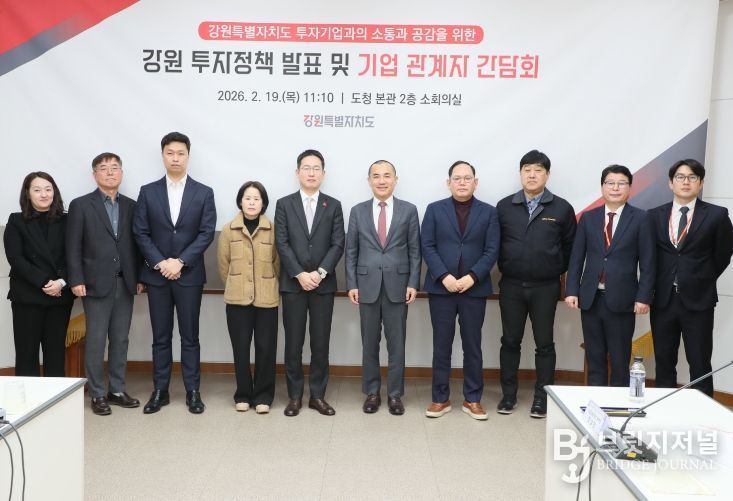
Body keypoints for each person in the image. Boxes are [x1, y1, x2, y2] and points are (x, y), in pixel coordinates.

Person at [132, 132, 216, 414]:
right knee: (161, 337)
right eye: (170, 153)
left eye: (180, 153)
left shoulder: (203, 192)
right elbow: (141, 232)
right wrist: (161, 263)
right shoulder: (148, 191)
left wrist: (180, 262)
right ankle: (160, 391)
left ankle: (193, 391)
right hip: (157, 277)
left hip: (189, 275)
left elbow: (206, 233)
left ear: (188, 156)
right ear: (163, 156)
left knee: (190, 337)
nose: (175, 158)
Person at [496, 150, 576, 418]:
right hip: (511, 285)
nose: (532, 175)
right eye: (527, 170)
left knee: (545, 343)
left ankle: (542, 398)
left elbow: (570, 248)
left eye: (538, 170)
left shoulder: (562, 208)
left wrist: (552, 267)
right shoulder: (504, 206)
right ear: (520, 174)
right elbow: (495, 244)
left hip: (545, 287)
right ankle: (508, 395)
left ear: (547, 175)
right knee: (510, 341)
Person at [421, 161, 500, 420]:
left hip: (473, 289)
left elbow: (492, 250)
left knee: (472, 346)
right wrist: (444, 276)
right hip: (441, 289)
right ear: (449, 183)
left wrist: (472, 277)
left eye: (467, 178)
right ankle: (440, 398)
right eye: (457, 178)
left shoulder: (489, 212)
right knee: (441, 345)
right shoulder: (434, 210)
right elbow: (427, 245)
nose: (462, 182)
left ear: (475, 182)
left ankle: (473, 399)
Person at [66, 153, 144, 416]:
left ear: (121, 173)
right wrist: (76, 279)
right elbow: (73, 246)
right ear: (94, 174)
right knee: (97, 340)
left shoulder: (132, 206)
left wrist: (139, 277)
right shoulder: (81, 205)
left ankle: (117, 390)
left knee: (120, 339)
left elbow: (138, 245)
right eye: (104, 168)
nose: (110, 173)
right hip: (94, 284)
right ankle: (97, 393)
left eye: (115, 168)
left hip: (125, 282)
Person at [648, 159, 733, 397]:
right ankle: (664, 408)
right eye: (680, 177)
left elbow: (724, 254)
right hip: (663, 300)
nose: (686, 182)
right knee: (664, 361)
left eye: (692, 177)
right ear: (670, 183)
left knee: (700, 363)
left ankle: (703, 412)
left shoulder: (716, 215)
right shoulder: (655, 215)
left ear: (701, 183)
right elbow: (650, 256)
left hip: (699, 301)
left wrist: (701, 278)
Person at [565, 165, 655, 387]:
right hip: (591, 298)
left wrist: (643, 297)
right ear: (602, 187)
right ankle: (595, 402)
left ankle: (618, 404)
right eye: (610, 183)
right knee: (594, 357)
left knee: (619, 358)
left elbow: (648, 262)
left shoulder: (641, 218)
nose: (615, 188)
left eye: (621, 183)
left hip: (623, 300)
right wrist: (572, 290)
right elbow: (577, 258)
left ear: (629, 188)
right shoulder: (588, 218)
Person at [345, 160, 421, 415]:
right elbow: (351, 250)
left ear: (395, 180)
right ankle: (372, 392)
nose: (381, 180)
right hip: (366, 285)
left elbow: (415, 251)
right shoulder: (357, 211)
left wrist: (413, 282)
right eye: (376, 176)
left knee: (396, 344)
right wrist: (352, 283)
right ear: (369, 181)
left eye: (387, 175)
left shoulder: (409, 210)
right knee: (369, 343)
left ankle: (395, 395)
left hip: (398, 286)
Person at [274, 149, 345, 417]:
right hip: (293, 285)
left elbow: (338, 243)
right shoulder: (284, 204)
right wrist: (299, 274)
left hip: (322, 286)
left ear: (323, 174)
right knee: (293, 344)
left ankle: (317, 395)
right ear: (297, 172)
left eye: (316, 168)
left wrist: (320, 272)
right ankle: (294, 396)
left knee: (320, 343)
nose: (311, 173)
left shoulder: (333, 205)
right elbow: (282, 242)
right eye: (306, 168)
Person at [218, 181, 280, 414]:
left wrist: (268, 283)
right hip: (237, 299)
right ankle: (243, 394)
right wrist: (237, 284)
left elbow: (277, 263)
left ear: (263, 203)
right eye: (247, 198)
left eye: (256, 198)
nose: (252, 202)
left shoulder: (273, 229)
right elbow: (223, 265)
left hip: (267, 298)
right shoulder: (228, 230)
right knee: (241, 348)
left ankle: (263, 396)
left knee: (266, 348)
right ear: (240, 201)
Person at [4, 172, 74, 376]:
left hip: (60, 296)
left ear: (54, 192)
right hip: (27, 296)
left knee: (56, 354)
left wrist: (61, 282)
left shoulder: (68, 220)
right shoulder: (16, 220)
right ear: (28, 193)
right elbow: (16, 259)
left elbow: (75, 255)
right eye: (37, 190)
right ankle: (29, 397)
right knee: (26, 354)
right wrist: (45, 282)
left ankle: (56, 397)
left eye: (48, 189)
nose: (44, 194)